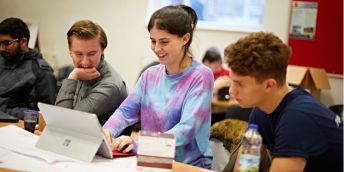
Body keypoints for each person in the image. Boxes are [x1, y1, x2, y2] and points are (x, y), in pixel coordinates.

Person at [103, 5, 213, 169]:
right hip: (151, 160)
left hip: (186, 165)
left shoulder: (201, 76)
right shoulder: (150, 75)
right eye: (153, 41)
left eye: (164, 42)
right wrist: (106, 133)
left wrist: (138, 144)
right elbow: (125, 112)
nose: (157, 48)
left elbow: (187, 129)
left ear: (185, 39)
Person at [224, 32, 343, 172]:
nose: (231, 91)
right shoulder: (260, 110)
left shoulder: (297, 118)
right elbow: (245, 168)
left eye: (240, 84)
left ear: (269, 85)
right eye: (232, 81)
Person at [55, 20, 127, 126]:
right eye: (78, 54)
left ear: (102, 50)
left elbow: (64, 122)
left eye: (92, 54)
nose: (85, 62)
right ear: (70, 51)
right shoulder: (80, 72)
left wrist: (72, 77)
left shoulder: (110, 86)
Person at [0, 17, 57, 119]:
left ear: (23, 41)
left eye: (7, 43)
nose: (1, 48)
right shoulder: (2, 59)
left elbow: (41, 115)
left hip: (15, 126)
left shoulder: (40, 71)